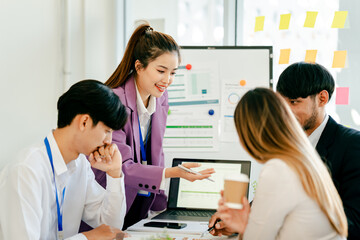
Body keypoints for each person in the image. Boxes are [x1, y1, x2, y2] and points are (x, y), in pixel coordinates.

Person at [82, 23, 215, 230]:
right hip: (105, 206)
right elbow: (121, 166)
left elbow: (157, 152)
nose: (167, 80)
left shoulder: (160, 97)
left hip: (139, 208)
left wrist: (162, 211)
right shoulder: (113, 101)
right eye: (161, 71)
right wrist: (174, 173)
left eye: (173, 73)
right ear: (138, 66)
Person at [0, 80, 128, 240]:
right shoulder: (26, 170)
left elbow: (111, 226)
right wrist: (87, 238)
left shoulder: (80, 164)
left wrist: (114, 173)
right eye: (107, 131)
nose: (109, 141)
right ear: (84, 122)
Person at [217, 88, 347, 240]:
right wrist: (244, 224)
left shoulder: (278, 168)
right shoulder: (305, 159)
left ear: (248, 133)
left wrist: (243, 224)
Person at [276, 62, 360, 240]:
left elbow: (353, 221)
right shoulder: (287, 145)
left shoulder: (352, 144)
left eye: (294, 102)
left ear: (322, 98)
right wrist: (241, 217)